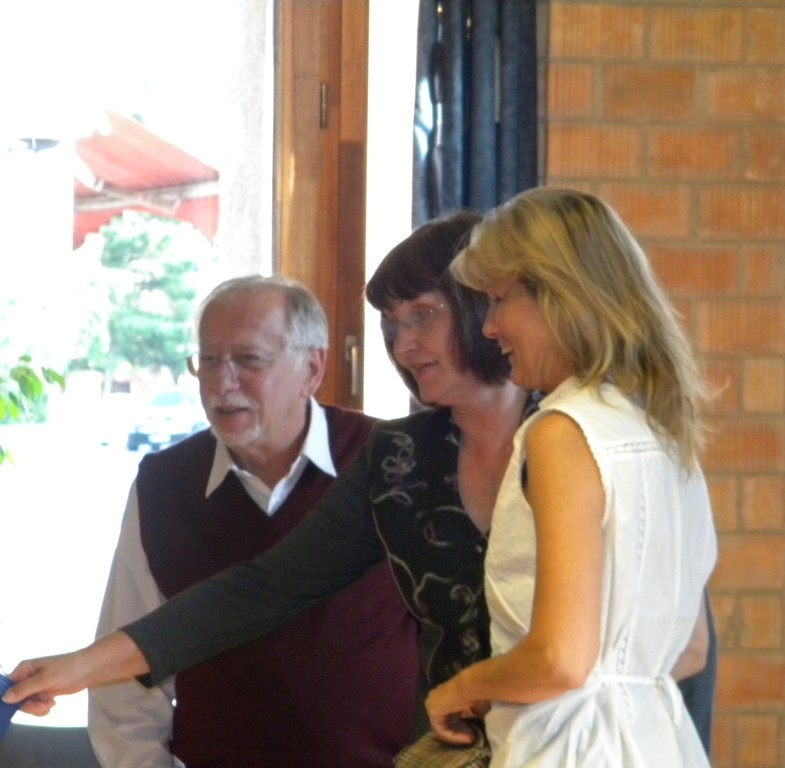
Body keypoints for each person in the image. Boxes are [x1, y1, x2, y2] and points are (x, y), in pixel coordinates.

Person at [3, 209, 718, 756]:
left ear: (485, 307)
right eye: (391, 325)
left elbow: (681, 650)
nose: (404, 345)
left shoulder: (579, 435)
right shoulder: (399, 458)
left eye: (424, 316)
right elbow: (262, 590)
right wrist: (79, 667)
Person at [424, 186, 718, 767]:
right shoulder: (661, 425)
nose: (490, 327)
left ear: (560, 296)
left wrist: (460, 688)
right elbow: (690, 650)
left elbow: (559, 659)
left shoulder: (563, 431)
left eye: (500, 300)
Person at [87, 275, 420, 768]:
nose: (223, 383)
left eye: (249, 359)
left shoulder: (393, 462)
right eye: (209, 360)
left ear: (312, 368)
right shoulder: (165, 485)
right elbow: (124, 688)